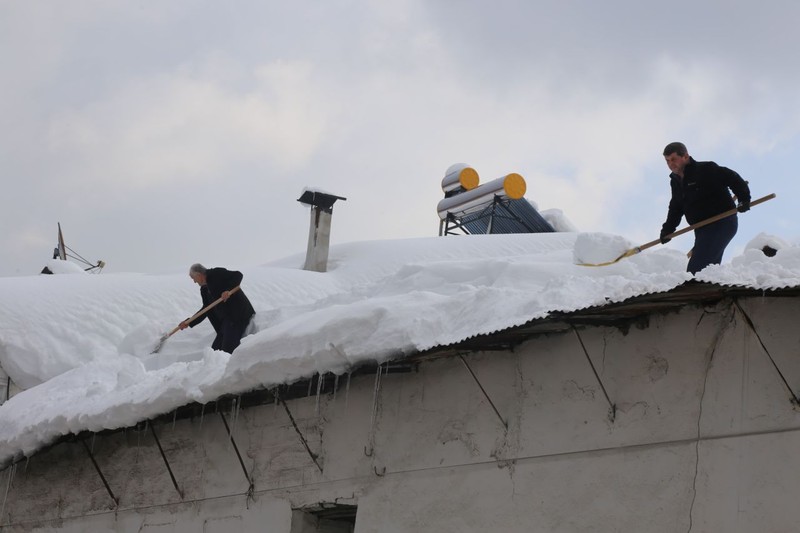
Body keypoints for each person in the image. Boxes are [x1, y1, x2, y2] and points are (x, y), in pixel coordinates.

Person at [659, 142, 751, 274]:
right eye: (667, 161)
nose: (670, 164)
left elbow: (733, 178)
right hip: (702, 228)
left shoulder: (706, 169)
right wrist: (668, 229)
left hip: (722, 222)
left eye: (673, 159)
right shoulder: (676, 181)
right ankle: (708, 288)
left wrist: (744, 199)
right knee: (708, 269)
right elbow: (676, 206)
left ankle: (693, 291)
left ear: (685, 156)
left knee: (697, 268)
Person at [179, 264, 255, 353]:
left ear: (199, 275)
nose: (194, 282)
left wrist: (228, 290)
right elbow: (206, 309)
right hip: (226, 321)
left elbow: (238, 275)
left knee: (227, 351)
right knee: (215, 351)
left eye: (193, 278)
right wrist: (189, 322)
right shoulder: (204, 289)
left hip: (238, 316)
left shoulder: (216, 273)